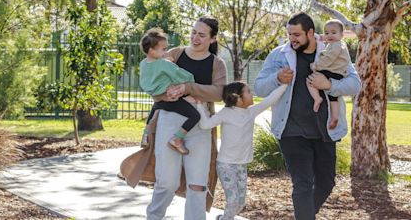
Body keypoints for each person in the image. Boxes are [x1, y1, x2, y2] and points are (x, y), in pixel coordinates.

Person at [254, 12, 361, 220]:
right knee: (302, 184)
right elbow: (258, 87)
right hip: (291, 131)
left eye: (297, 34)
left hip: (324, 131)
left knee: (326, 183)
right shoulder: (278, 55)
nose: (292, 39)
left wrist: (329, 85)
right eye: (289, 34)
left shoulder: (334, 50)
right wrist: (277, 77)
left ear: (310, 33)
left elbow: (355, 84)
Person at [146, 16, 227, 220]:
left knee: (198, 184)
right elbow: (153, 82)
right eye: (193, 32)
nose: (195, 38)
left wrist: (187, 88)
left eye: (201, 35)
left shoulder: (217, 64)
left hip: (200, 125)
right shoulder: (174, 54)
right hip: (169, 120)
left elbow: (219, 93)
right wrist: (166, 94)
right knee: (167, 182)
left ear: (212, 39)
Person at [196, 82, 287, 220]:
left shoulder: (251, 112)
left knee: (240, 203)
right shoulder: (226, 113)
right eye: (248, 92)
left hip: (241, 165)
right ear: (237, 98)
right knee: (232, 202)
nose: (251, 95)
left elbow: (270, 99)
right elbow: (205, 125)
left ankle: (223, 218)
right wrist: (199, 106)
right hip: (226, 164)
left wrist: (285, 84)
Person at [139, 27, 201, 155]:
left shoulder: (143, 64)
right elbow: (183, 76)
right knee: (195, 116)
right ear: (151, 50)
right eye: (163, 49)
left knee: (154, 110)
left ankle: (145, 135)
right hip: (171, 100)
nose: (166, 52)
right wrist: (172, 65)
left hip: (158, 99)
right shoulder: (163, 64)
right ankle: (177, 138)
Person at [307, 19, 351, 129]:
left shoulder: (336, 45)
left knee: (310, 80)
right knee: (333, 97)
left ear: (342, 35)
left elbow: (328, 59)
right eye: (327, 33)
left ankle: (317, 98)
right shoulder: (337, 44)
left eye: (333, 32)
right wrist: (321, 38)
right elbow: (324, 42)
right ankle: (335, 117)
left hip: (332, 72)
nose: (329, 35)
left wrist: (315, 66)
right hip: (338, 74)